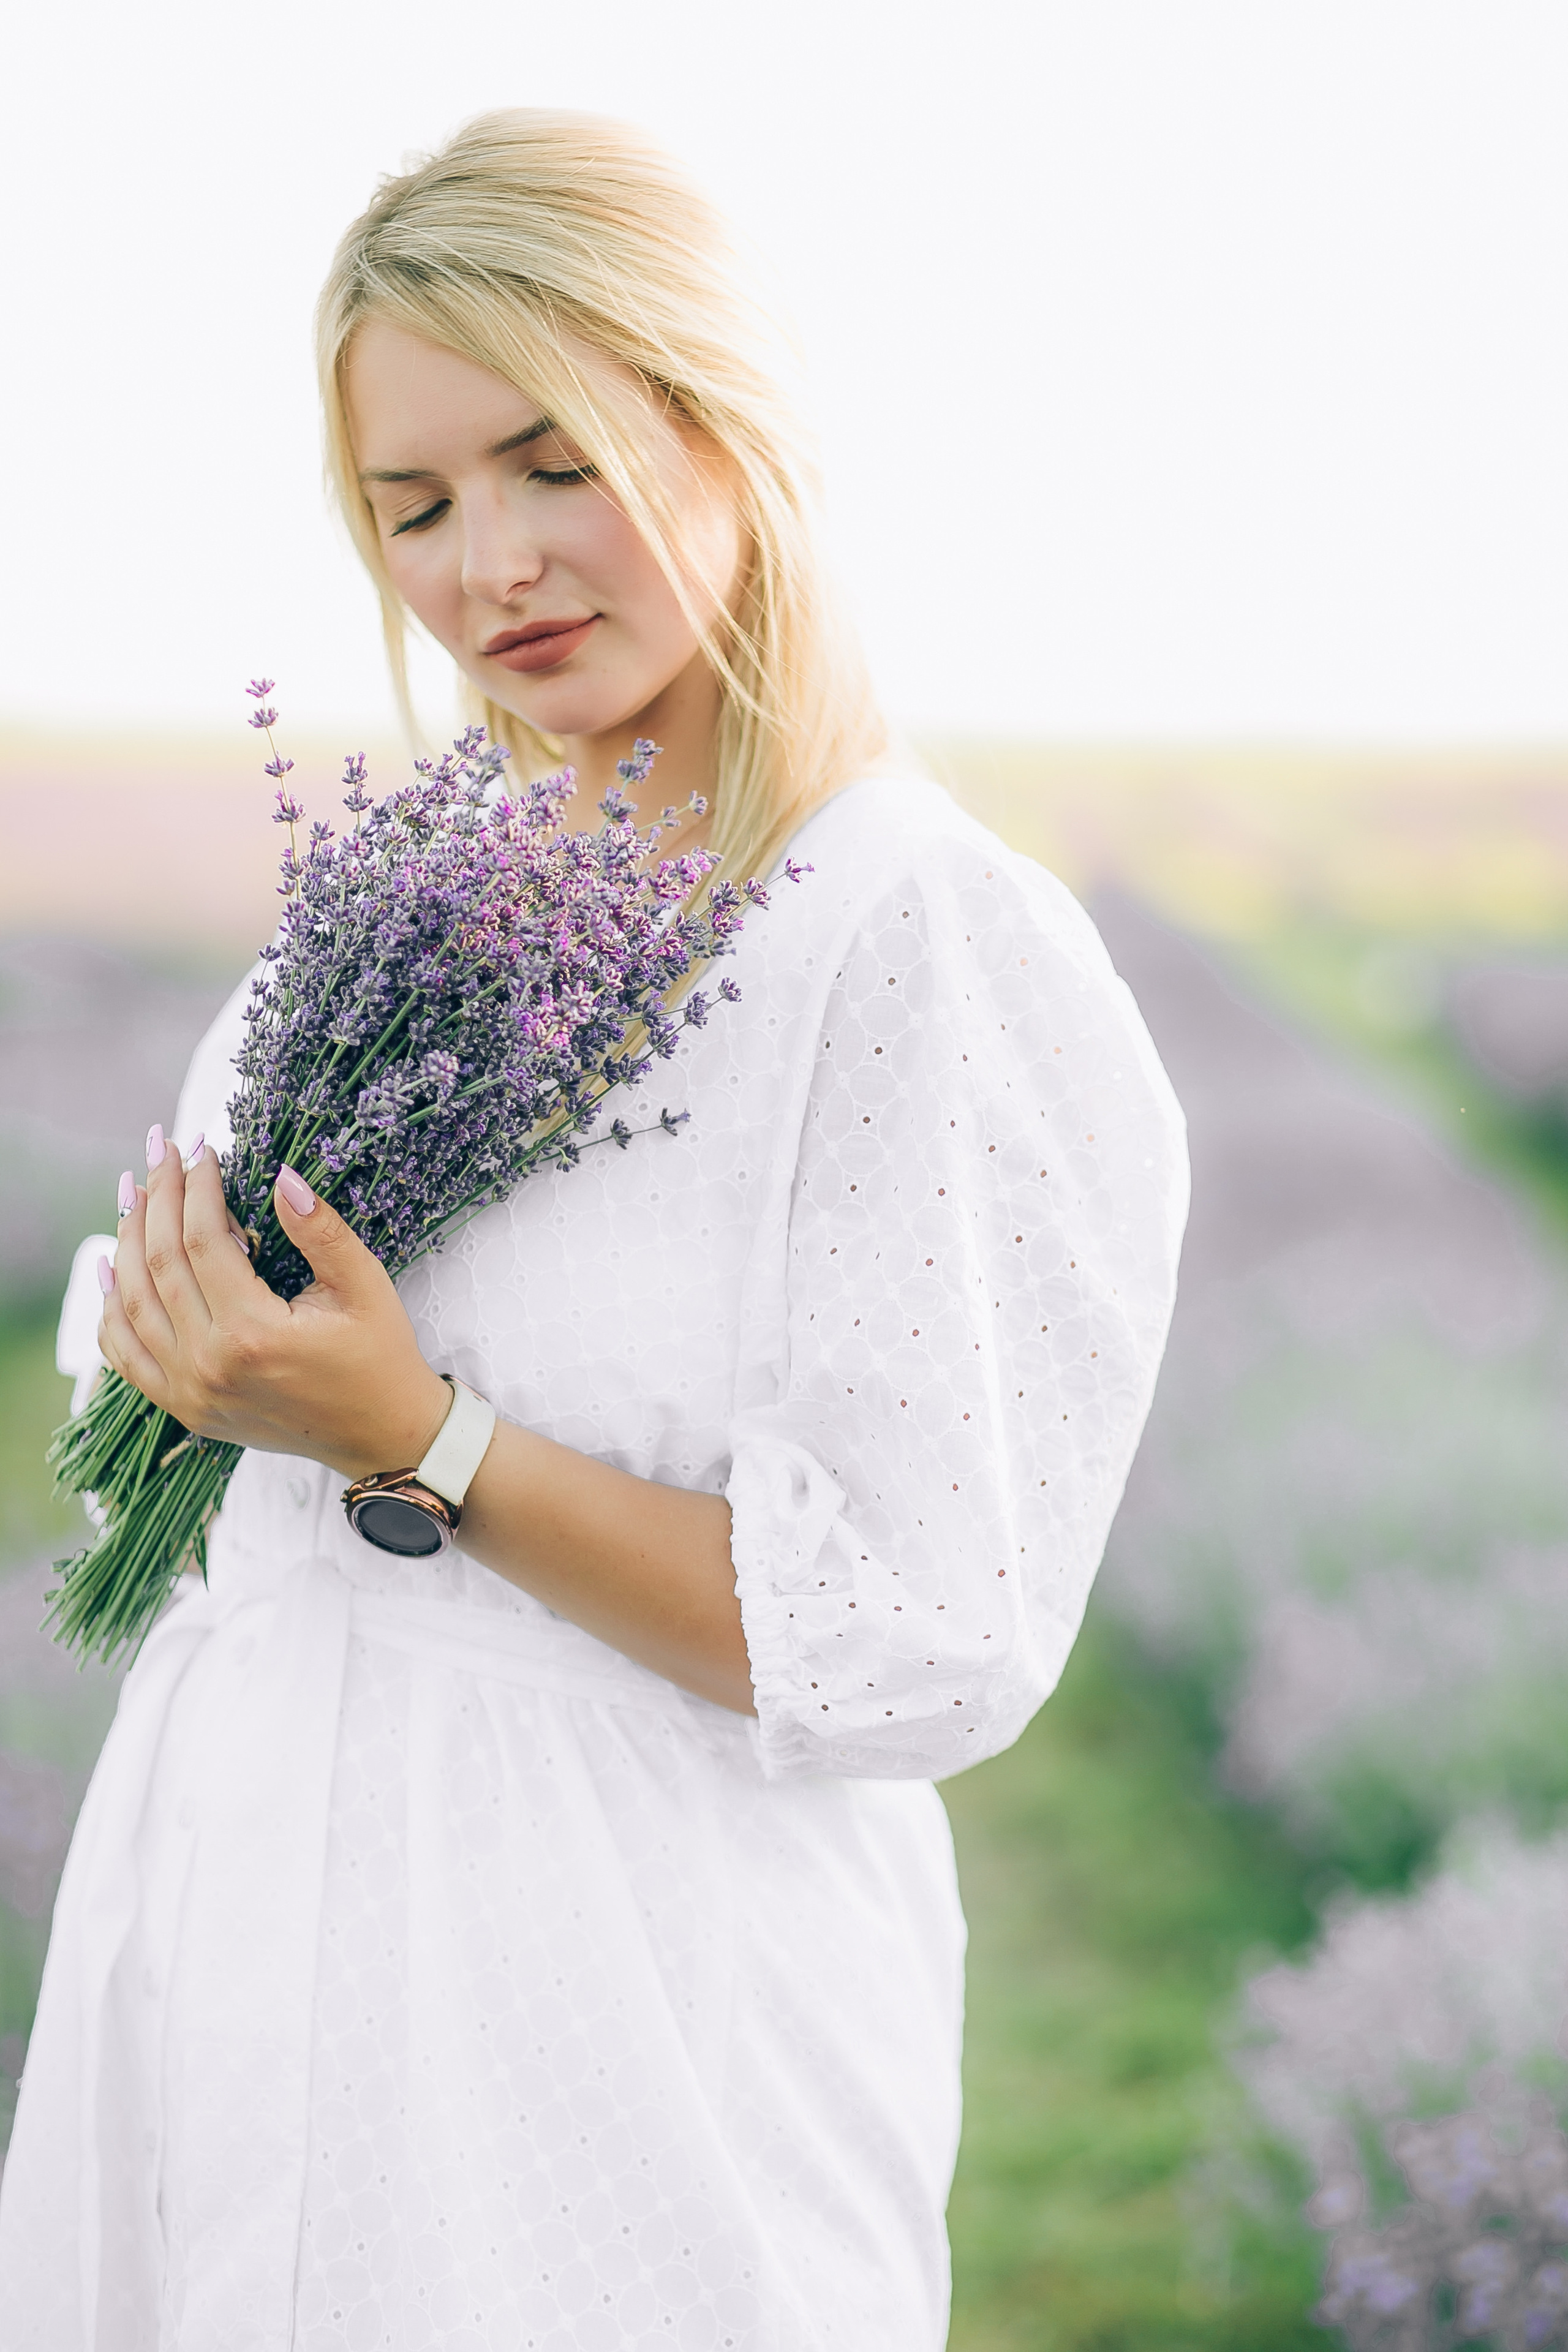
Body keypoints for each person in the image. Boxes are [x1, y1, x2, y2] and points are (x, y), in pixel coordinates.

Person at [0, 110, 1188, 2351]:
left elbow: (915, 1636)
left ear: (723, 425)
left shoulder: (913, 942)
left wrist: (418, 1441)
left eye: (553, 461)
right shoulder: (397, 914)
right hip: (241, 1915)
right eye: (413, 505)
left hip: (599, 2018)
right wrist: (186, 1358)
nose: (489, 567)